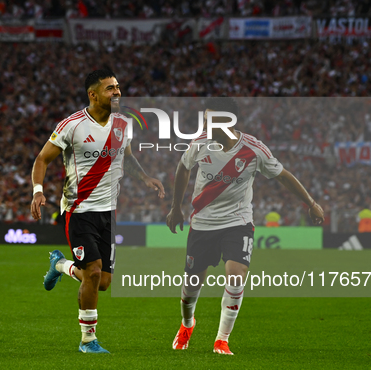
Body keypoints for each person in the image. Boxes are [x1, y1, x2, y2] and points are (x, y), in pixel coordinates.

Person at [166, 99, 324, 355]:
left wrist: (311, 202)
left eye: (212, 120)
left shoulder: (254, 149)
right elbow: (183, 168)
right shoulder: (199, 144)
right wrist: (176, 207)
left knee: (236, 275)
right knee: (192, 284)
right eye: (205, 119)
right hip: (203, 223)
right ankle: (187, 324)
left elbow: (283, 175)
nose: (206, 124)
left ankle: (221, 339)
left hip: (237, 223)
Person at [30, 69, 165, 353]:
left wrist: (145, 178)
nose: (117, 92)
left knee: (102, 282)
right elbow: (43, 158)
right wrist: (38, 190)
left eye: (117, 86)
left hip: (109, 212)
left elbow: (126, 157)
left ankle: (59, 265)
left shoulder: (123, 124)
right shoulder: (72, 125)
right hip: (79, 211)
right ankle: (88, 339)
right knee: (92, 273)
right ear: (93, 94)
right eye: (109, 89)